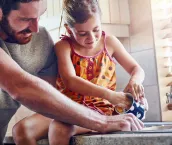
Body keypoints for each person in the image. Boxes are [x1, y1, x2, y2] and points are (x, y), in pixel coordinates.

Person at [12, 0, 148, 145]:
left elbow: (137, 69)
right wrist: (111, 95)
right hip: (67, 108)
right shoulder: (63, 47)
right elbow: (70, 80)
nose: (91, 38)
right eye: (82, 33)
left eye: (96, 30)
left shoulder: (110, 42)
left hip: (101, 109)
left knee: (59, 128)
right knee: (20, 130)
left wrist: (135, 81)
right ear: (69, 30)